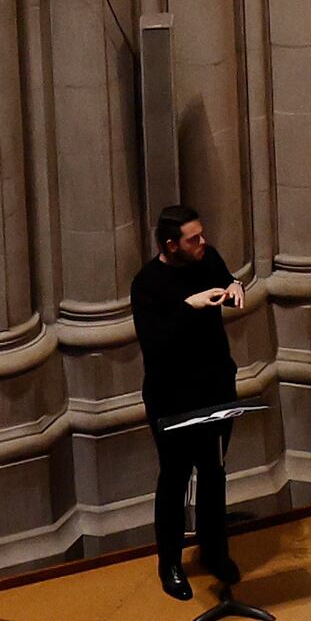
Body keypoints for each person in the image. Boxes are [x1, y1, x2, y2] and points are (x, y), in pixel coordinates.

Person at [132, 205, 252, 596]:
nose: (203, 243)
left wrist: (235, 286)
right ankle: (170, 564)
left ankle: (215, 551)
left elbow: (227, 279)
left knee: (214, 472)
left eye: (201, 235)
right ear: (171, 245)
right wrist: (189, 306)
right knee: (175, 479)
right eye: (193, 239)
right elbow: (155, 343)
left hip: (215, 385)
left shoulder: (208, 258)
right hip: (172, 396)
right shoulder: (148, 283)